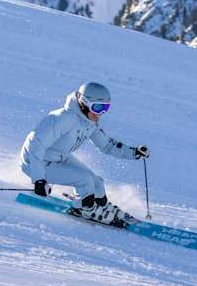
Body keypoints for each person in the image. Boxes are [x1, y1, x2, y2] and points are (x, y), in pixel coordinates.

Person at [20, 82, 149, 224]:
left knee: (97, 182)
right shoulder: (62, 118)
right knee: (84, 180)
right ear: (84, 103)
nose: (100, 113)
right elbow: (35, 144)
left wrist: (133, 153)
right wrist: (39, 179)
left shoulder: (89, 122)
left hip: (59, 157)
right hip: (35, 162)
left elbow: (106, 145)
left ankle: (101, 206)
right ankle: (85, 209)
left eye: (105, 108)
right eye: (97, 107)